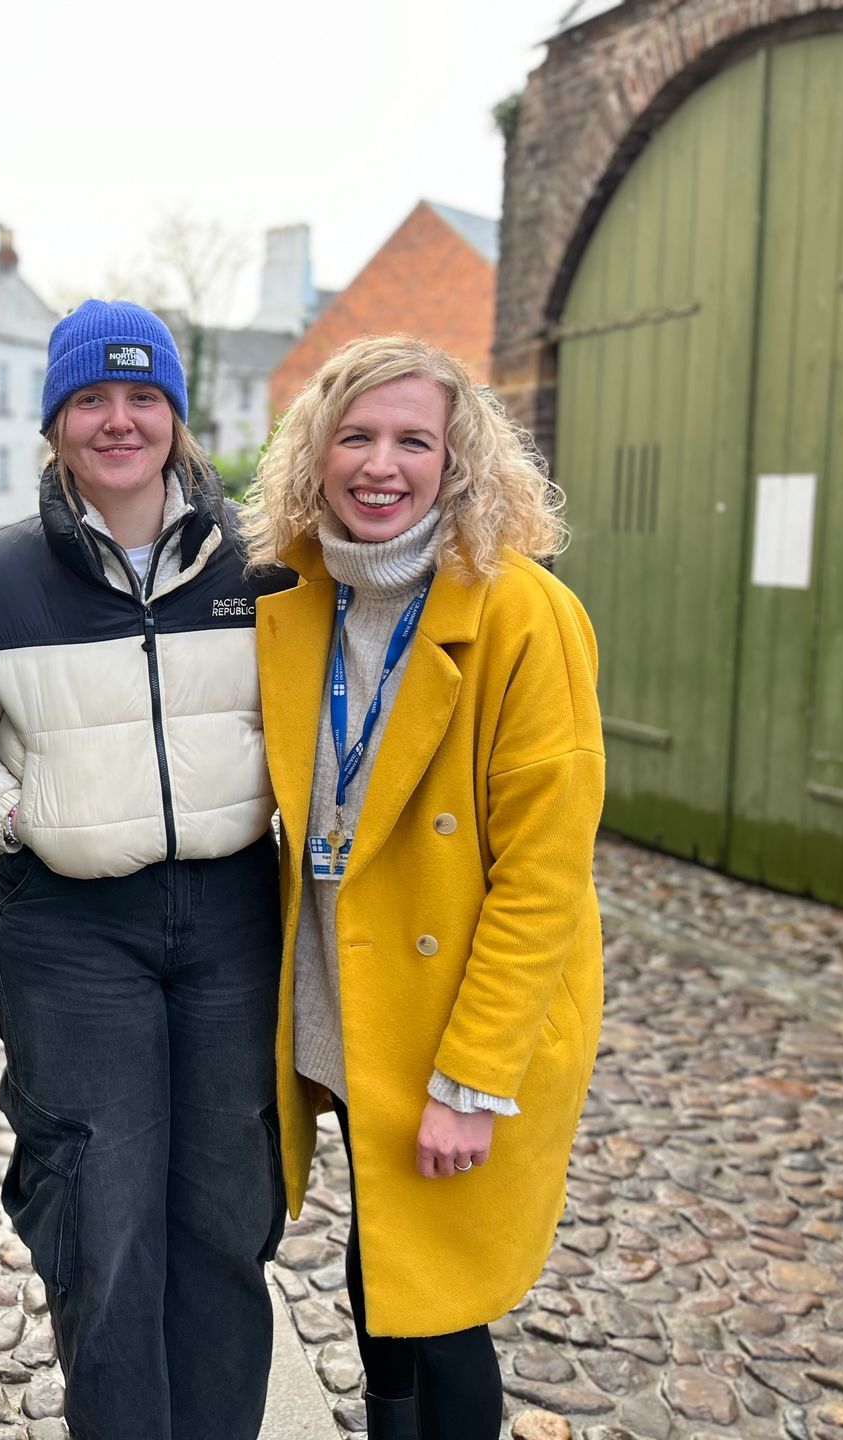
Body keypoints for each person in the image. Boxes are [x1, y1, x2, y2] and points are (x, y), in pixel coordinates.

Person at [245, 334, 605, 1440]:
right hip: (342, 992)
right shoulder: (289, 597)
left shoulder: (524, 613)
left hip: (459, 1017)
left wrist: (471, 1081)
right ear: (318, 451)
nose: (381, 465)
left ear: (459, 462)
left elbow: (544, 876)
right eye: (356, 436)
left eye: (414, 439)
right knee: (384, 1250)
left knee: (446, 1304)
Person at [0, 300, 291, 1440]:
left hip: (236, 920)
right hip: (72, 934)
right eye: (90, 398)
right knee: (104, 1221)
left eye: (142, 396)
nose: (118, 420)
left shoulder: (265, 561)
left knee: (226, 1218)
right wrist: (18, 815)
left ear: (177, 416)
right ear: (56, 422)